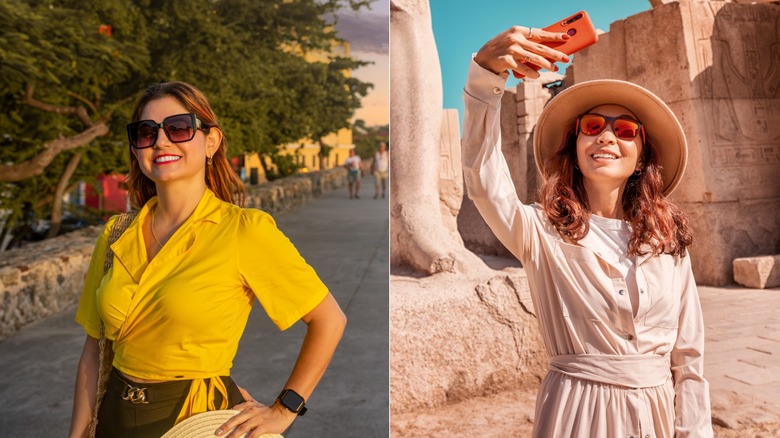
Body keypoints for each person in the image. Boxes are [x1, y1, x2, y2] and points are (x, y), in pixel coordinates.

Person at [461, 26, 713, 437]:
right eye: (592, 126)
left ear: (641, 158)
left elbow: (689, 359)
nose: (607, 136)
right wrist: (485, 77)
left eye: (625, 130)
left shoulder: (667, 242)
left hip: (657, 417)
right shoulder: (540, 232)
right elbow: (483, 179)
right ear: (575, 150)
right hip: (576, 413)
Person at [69, 82, 347, 438]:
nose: (161, 141)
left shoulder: (243, 231)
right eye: (146, 132)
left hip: (195, 418)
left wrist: (284, 409)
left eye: (178, 128)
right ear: (136, 148)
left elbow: (328, 319)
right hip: (115, 419)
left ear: (211, 141)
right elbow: (93, 352)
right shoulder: (116, 234)